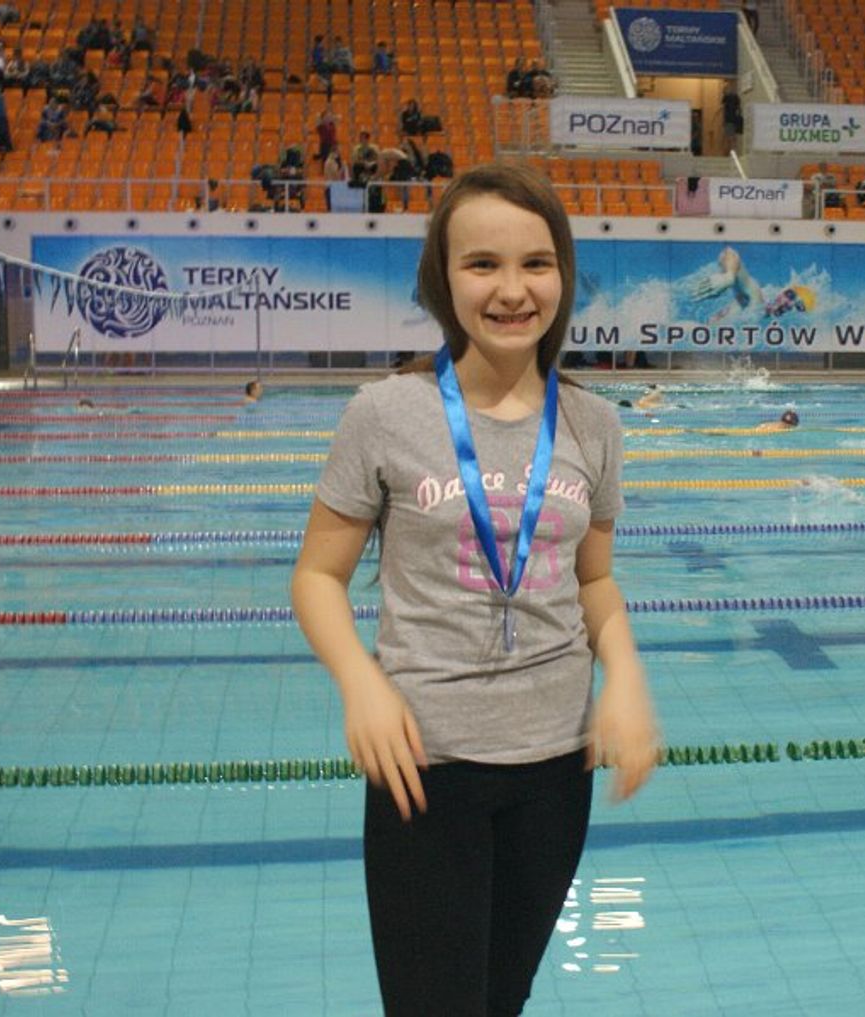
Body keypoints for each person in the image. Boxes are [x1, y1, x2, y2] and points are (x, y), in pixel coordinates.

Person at [291, 162, 656, 1016]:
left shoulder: (594, 423)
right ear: (443, 277)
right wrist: (361, 683)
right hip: (428, 763)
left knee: (500, 999)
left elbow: (595, 578)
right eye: (483, 263)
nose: (512, 289)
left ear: (562, 274)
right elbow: (316, 576)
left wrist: (627, 676)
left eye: (536, 263)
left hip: (555, 768)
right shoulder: (385, 412)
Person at [689, 247, 818, 323]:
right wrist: (729, 276)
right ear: (782, 291)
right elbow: (730, 253)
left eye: (798, 306)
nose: (787, 302)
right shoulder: (756, 299)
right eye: (790, 294)